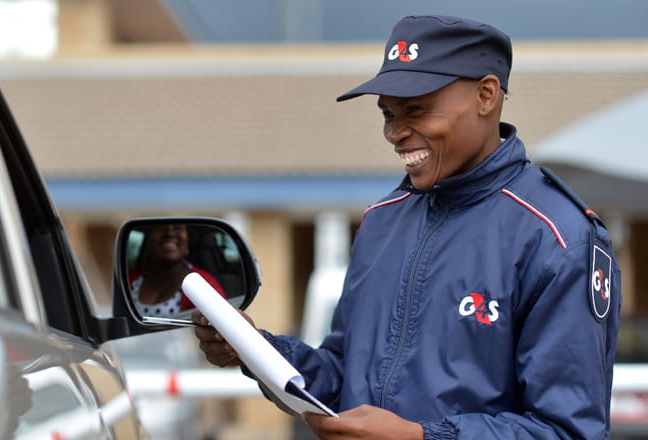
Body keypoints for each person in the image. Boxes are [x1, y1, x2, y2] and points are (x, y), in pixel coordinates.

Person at [194, 15, 621, 439]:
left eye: (415, 109)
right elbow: (342, 376)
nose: (395, 132)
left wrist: (422, 437)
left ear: (486, 95)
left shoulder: (558, 237)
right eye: (387, 113)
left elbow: (568, 431)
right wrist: (255, 350)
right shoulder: (382, 220)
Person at [129, 223, 225, 316]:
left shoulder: (203, 283)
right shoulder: (128, 278)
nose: (169, 233)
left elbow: (221, 319)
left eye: (177, 227)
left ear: (187, 243)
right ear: (148, 240)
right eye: (160, 226)